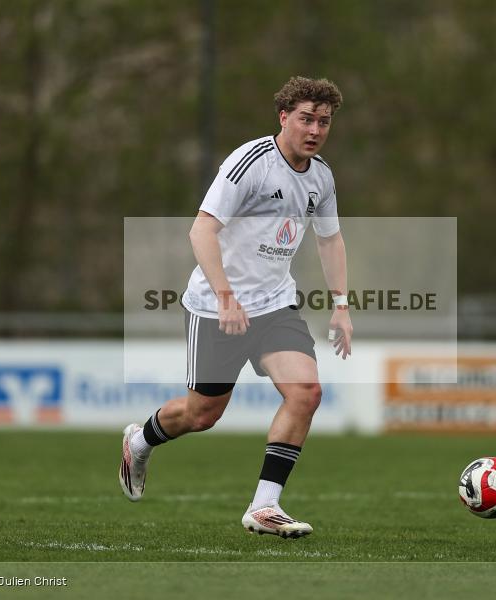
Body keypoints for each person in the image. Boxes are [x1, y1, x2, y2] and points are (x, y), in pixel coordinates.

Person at [119, 76, 352, 538]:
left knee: (306, 392)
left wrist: (341, 305)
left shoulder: (321, 177)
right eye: (306, 118)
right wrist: (226, 297)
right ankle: (139, 441)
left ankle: (265, 506)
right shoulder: (251, 162)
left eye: (324, 122)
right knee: (202, 414)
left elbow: (330, 240)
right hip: (215, 306)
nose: (315, 130)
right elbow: (201, 230)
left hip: (275, 305)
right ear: (283, 117)